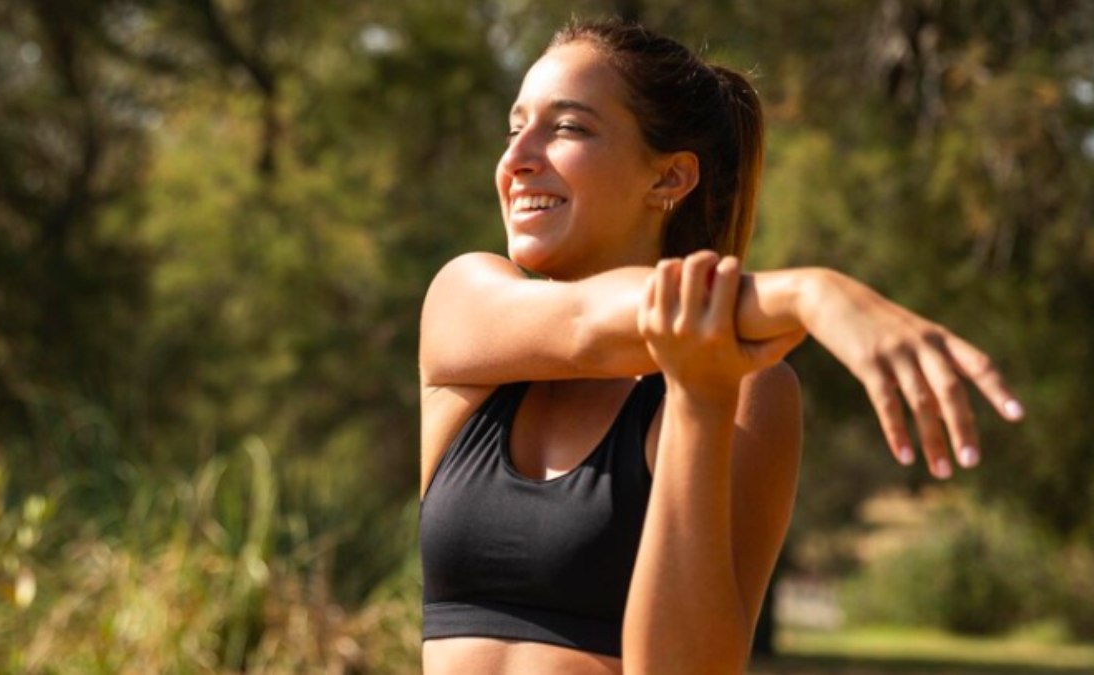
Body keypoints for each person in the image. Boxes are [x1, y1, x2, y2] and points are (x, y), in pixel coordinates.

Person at [417, 17, 1023, 675]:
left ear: (670, 178)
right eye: (515, 127)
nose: (517, 158)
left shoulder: (750, 389)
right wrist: (811, 295)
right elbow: (587, 327)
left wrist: (700, 403)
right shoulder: (466, 303)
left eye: (566, 128)